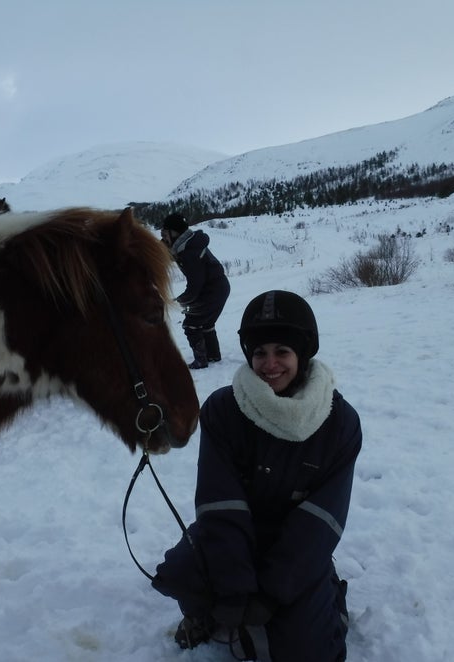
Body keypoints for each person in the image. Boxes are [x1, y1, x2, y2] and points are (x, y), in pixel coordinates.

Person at [151, 290, 363, 661]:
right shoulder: (222, 409)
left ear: (302, 353)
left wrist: (271, 592)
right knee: (179, 573)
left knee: (307, 652)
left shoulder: (340, 423)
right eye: (259, 353)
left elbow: (322, 520)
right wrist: (233, 587)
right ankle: (202, 613)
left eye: (282, 351)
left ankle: (329, 601)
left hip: (298, 545)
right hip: (236, 532)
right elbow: (219, 502)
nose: (269, 364)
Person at [160, 212, 230, 369]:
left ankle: (201, 360)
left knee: (191, 323)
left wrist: (180, 301)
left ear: (175, 233)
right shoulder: (189, 244)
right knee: (206, 323)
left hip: (212, 290)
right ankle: (213, 355)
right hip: (218, 288)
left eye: (165, 234)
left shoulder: (190, 252)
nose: (164, 238)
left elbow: (195, 286)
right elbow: (166, 250)